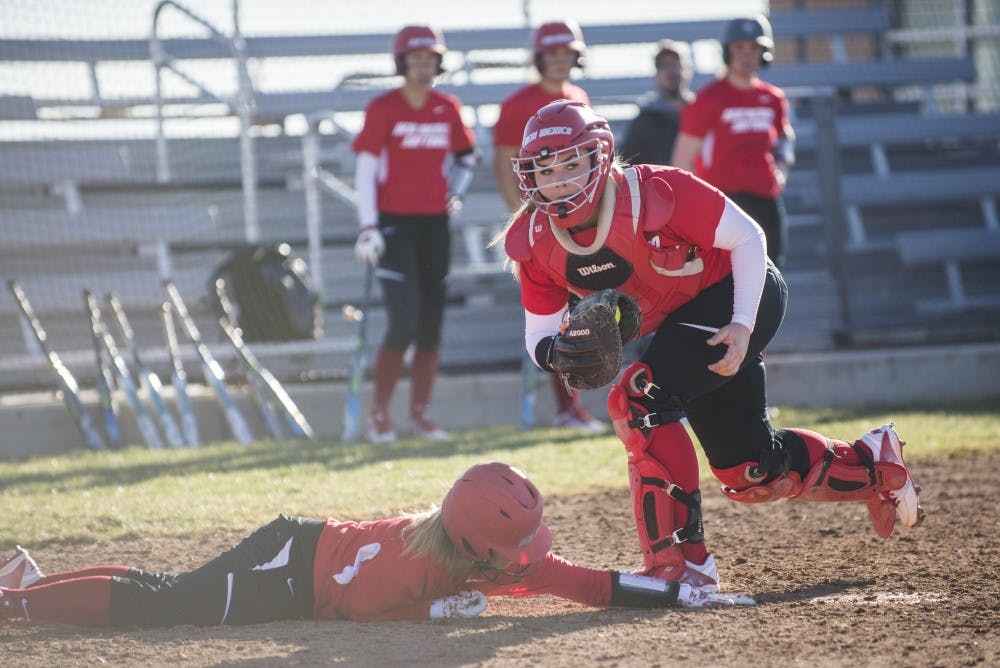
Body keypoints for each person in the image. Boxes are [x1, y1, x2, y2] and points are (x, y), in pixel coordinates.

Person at [498, 99, 923, 588]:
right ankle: (876, 465)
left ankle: (682, 567)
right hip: (684, 325)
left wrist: (742, 324)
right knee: (752, 474)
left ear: (599, 156)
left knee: (639, 399)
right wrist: (558, 354)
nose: (559, 180)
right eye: (545, 169)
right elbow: (538, 336)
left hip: (740, 294)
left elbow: (748, 238)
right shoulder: (532, 240)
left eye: (571, 162)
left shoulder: (657, 190)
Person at [0, 462, 753, 628]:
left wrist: (677, 591)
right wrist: (435, 613)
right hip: (291, 568)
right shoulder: (419, 561)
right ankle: (22, 604)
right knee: (163, 607)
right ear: (478, 544)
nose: (530, 554)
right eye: (518, 542)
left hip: (299, 561)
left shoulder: (489, 551)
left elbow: (589, 584)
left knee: (166, 589)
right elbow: (358, 603)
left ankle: (28, 581)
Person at [352, 25, 479, 443]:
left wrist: (454, 196)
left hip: (434, 226)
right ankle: (379, 415)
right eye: (416, 58)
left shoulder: (448, 106)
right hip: (392, 225)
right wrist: (368, 225)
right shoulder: (383, 108)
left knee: (429, 324)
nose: (423, 65)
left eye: (430, 58)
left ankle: (419, 415)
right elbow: (367, 168)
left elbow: (466, 158)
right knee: (402, 319)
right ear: (402, 62)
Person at [492, 19, 603, 432]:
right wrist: (522, 218)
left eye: (566, 54)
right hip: (542, 223)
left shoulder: (580, 97)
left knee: (577, 309)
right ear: (539, 58)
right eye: (552, 54)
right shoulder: (518, 103)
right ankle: (567, 407)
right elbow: (505, 162)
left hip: (576, 219)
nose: (560, 61)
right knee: (552, 312)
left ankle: (571, 405)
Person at [671, 15, 794, 267]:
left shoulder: (773, 98)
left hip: (766, 200)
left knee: (774, 277)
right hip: (724, 203)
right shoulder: (708, 98)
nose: (746, 55)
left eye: (753, 48)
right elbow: (682, 160)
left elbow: (786, 139)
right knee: (728, 279)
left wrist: (782, 168)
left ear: (764, 52)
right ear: (727, 51)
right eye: (739, 47)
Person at [619, 39, 694, 167]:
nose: (671, 71)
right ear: (655, 76)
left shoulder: (701, 113)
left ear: (687, 71)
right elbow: (627, 164)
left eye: (676, 64)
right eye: (664, 66)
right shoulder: (645, 121)